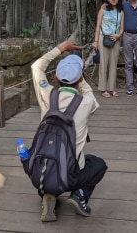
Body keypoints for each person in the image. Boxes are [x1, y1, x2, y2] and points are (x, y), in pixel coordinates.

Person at [30, 40, 107, 221]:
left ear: (55, 77)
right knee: (98, 164)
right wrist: (81, 79)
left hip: (41, 173)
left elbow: (36, 67)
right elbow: (91, 96)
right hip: (70, 175)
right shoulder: (86, 103)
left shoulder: (46, 94)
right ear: (80, 79)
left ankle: (48, 195)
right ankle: (78, 195)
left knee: (49, 170)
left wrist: (61, 49)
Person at [92, 0, 124, 97]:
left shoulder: (121, 12)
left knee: (113, 63)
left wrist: (118, 36)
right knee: (103, 63)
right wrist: (96, 41)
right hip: (103, 38)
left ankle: (112, 88)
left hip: (115, 39)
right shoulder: (103, 11)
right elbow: (98, 26)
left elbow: (122, 28)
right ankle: (103, 88)